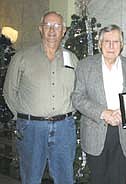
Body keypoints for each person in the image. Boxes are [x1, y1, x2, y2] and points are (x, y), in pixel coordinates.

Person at [3, 11, 78, 184]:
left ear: (64, 31)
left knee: (65, 178)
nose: (52, 30)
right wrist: (24, 116)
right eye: (48, 25)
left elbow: (78, 91)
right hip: (31, 129)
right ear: (40, 29)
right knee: (31, 178)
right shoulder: (22, 57)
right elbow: (9, 91)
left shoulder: (72, 59)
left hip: (64, 129)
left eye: (57, 26)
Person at [71, 24, 126, 184]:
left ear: (122, 45)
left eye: (116, 42)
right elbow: (77, 98)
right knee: (99, 180)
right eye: (107, 41)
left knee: (119, 180)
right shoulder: (85, 66)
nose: (111, 46)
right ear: (100, 44)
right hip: (95, 132)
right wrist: (104, 113)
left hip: (124, 134)